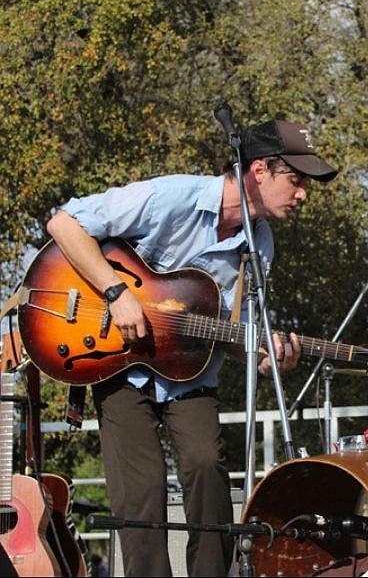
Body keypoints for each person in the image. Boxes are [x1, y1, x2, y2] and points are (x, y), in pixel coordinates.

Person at [45, 119, 338, 576]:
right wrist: (116, 294)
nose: (302, 195)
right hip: (115, 360)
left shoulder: (259, 247)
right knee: (142, 491)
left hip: (191, 373)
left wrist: (266, 356)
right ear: (259, 170)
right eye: (296, 181)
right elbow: (64, 223)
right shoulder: (173, 197)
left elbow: (238, 333)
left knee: (207, 470)